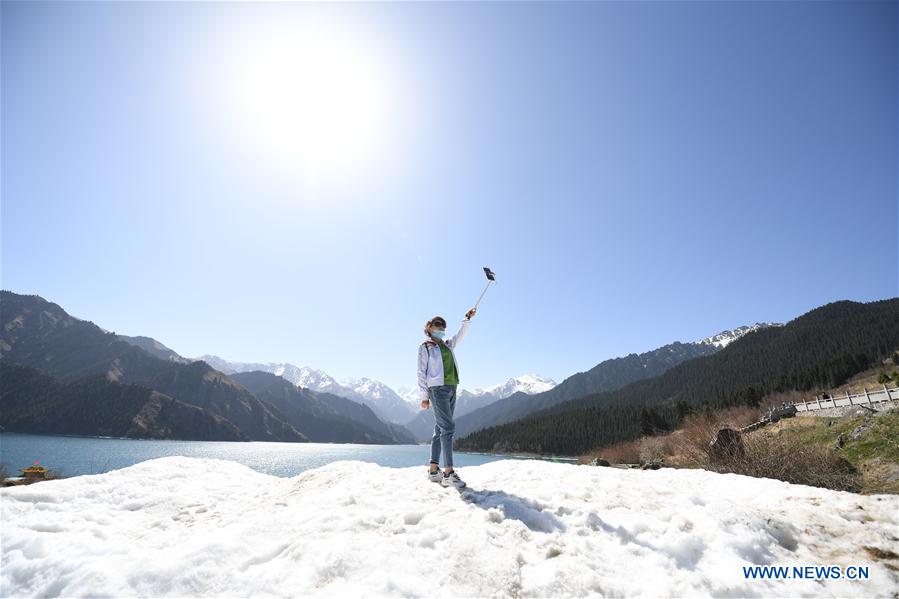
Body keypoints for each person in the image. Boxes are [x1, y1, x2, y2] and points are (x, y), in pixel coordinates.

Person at [418, 307, 477, 488]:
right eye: (437, 325)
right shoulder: (425, 347)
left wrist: (467, 319)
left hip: (452, 387)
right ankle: (449, 472)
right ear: (429, 327)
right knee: (448, 427)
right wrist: (424, 396)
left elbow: (461, 335)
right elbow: (421, 372)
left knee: (440, 427)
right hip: (438, 389)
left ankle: (434, 469)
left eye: (443, 326)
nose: (441, 328)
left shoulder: (447, 344)